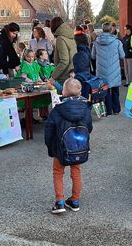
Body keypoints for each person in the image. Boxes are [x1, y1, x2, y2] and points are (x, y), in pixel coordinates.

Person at [45, 78, 93, 214]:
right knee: (76, 171)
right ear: (80, 92)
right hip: (78, 147)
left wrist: (50, 147)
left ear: (64, 92)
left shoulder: (57, 110)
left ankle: (59, 202)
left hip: (60, 148)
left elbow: (49, 130)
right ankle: (75, 200)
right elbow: (89, 128)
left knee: (58, 172)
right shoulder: (85, 109)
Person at [92, 22, 125, 115]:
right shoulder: (117, 42)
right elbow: (122, 55)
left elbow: (93, 56)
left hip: (101, 71)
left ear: (102, 29)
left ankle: (108, 110)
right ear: (111, 30)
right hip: (114, 70)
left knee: (104, 90)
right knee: (115, 90)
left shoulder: (96, 42)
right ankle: (116, 109)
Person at [49, 17, 77, 87]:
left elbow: (64, 61)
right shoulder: (70, 36)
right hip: (72, 72)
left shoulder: (60, 39)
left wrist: (53, 76)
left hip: (64, 76)